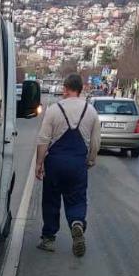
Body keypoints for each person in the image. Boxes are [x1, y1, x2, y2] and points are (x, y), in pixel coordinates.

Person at [34, 72, 100, 257]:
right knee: (77, 198)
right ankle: (77, 222)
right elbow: (95, 143)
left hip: (55, 163)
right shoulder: (91, 111)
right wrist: (90, 161)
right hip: (77, 163)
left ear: (64, 89)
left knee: (51, 200)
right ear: (81, 89)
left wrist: (39, 163)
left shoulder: (54, 109)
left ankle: (48, 238)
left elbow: (43, 139)